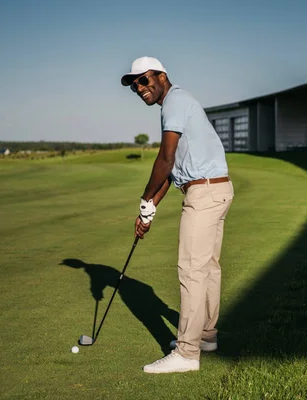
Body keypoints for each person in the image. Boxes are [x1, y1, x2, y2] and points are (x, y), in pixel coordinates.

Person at [121, 56, 234, 374]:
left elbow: (166, 158)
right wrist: (150, 208)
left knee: (191, 271)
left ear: (161, 76)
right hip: (216, 189)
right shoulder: (180, 102)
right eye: (134, 86)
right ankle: (206, 337)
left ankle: (186, 353)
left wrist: (144, 197)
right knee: (208, 269)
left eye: (143, 80)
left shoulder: (174, 102)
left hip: (205, 194)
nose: (139, 88)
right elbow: (174, 171)